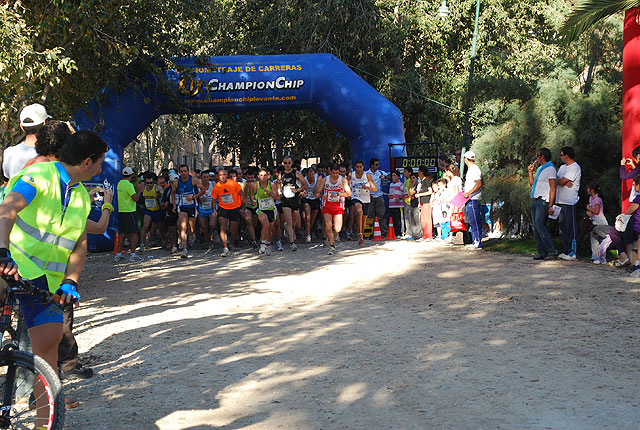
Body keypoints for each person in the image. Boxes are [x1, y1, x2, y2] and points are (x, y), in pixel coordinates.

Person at [0, 130, 107, 424]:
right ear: (87, 162)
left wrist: (71, 280)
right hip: (10, 266)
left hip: (46, 284)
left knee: (46, 358)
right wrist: (2, 252)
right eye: (100, 162)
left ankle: (44, 423)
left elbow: (79, 245)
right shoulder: (41, 175)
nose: (101, 168)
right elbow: (8, 209)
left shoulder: (83, 197)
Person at [3, 103, 51, 180]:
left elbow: (7, 182)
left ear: (21, 127)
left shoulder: (9, 153)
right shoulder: (50, 155)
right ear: (44, 123)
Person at [528, 148, 559, 260]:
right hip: (536, 199)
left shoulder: (550, 169)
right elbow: (533, 184)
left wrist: (551, 205)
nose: (537, 158)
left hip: (543, 201)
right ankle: (542, 251)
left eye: (538, 155)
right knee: (536, 227)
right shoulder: (541, 169)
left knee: (540, 225)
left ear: (543, 156)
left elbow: (553, 188)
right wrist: (530, 172)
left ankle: (551, 251)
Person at [314, 163, 351, 255]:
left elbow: (349, 194)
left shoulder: (343, 180)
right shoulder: (325, 180)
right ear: (330, 172)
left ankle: (335, 236)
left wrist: (339, 194)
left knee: (337, 228)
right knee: (328, 226)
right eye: (333, 173)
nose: (335, 175)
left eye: (337, 173)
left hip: (338, 206)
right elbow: (317, 193)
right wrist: (322, 196)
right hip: (327, 205)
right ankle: (332, 246)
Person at [171, 164, 205, 258]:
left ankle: (191, 235)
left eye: (185, 171)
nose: (183, 173)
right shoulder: (176, 182)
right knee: (183, 226)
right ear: (179, 173)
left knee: (191, 228)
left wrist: (194, 197)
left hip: (192, 206)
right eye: (181, 171)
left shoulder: (193, 180)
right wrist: (174, 205)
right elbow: (172, 193)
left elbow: (203, 190)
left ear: (188, 171)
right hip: (182, 206)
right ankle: (184, 249)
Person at [607, 176, 640, 267]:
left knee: (613, 232)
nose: (634, 187)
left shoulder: (638, 198)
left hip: (636, 228)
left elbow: (628, 212)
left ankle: (623, 256)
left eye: (635, 185)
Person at [211, 167, 244, 257]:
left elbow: (241, 193)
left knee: (233, 230)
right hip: (223, 208)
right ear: (218, 176)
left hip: (235, 208)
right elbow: (214, 199)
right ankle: (225, 247)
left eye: (224, 175)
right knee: (223, 227)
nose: (222, 177)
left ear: (227, 175)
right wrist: (214, 209)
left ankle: (231, 243)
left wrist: (242, 206)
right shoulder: (217, 186)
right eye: (220, 175)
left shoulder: (233, 183)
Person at [555, 146, 581, 260]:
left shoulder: (575, 167)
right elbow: (556, 180)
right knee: (563, 226)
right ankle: (566, 250)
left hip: (569, 201)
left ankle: (573, 252)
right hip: (560, 200)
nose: (560, 157)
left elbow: (560, 181)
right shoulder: (562, 167)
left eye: (561, 155)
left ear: (567, 156)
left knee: (571, 227)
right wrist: (563, 182)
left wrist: (562, 181)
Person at [279, 156, 308, 251]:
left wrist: (297, 190)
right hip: (285, 200)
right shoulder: (281, 174)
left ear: (291, 163)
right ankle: (292, 243)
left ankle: (289, 231)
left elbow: (306, 185)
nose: (287, 165)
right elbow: (278, 184)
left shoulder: (296, 173)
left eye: (289, 163)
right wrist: (280, 192)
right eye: (285, 163)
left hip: (295, 200)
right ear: (283, 164)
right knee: (290, 222)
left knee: (295, 224)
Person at [250, 167, 281, 255]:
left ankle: (267, 244)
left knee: (270, 230)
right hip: (260, 209)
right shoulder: (255, 185)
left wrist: (270, 194)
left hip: (271, 209)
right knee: (265, 224)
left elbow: (278, 198)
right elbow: (252, 197)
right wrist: (253, 200)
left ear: (268, 176)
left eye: (265, 175)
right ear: (258, 176)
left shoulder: (272, 185)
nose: (263, 177)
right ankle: (262, 243)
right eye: (261, 175)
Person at [115, 167, 143, 262]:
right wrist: (139, 190)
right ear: (131, 175)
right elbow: (135, 199)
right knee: (134, 232)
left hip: (121, 211)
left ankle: (118, 254)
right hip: (130, 211)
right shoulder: (129, 185)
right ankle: (133, 254)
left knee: (123, 233)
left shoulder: (119, 183)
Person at [349, 160, 377, 245]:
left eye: (360, 167)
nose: (359, 169)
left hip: (365, 198)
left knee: (364, 217)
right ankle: (360, 234)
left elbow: (375, 189)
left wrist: (367, 187)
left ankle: (360, 234)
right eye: (357, 167)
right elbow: (346, 184)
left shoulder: (367, 176)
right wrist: (348, 191)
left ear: (363, 167)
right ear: (355, 167)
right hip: (356, 197)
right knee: (359, 211)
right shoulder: (351, 175)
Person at [462, 151, 483, 249]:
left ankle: (477, 242)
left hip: (473, 198)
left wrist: (468, 193)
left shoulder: (474, 169)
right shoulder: (472, 169)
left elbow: (478, 183)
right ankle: (475, 240)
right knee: (473, 220)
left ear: (466, 159)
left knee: (475, 221)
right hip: (470, 198)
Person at [139, 172, 164, 252]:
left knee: (158, 228)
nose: (149, 184)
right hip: (148, 210)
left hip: (157, 210)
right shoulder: (143, 188)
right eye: (147, 183)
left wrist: (159, 195)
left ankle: (163, 240)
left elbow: (163, 196)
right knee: (145, 225)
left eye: (151, 183)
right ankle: (142, 244)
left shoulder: (157, 188)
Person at [586, 182, 609, 264]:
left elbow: (597, 211)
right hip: (594, 220)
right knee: (593, 238)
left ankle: (601, 257)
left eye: (588, 188)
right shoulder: (591, 198)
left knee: (601, 238)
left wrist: (588, 208)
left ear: (592, 190)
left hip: (600, 221)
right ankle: (595, 256)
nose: (587, 190)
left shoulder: (597, 199)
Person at [365, 158, 389, 237]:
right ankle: (368, 234)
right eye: (376, 165)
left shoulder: (380, 172)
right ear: (371, 165)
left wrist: (385, 177)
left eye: (378, 164)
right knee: (369, 216)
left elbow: (390, 176)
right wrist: (367, 194)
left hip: (379, 196)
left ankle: (384, 233)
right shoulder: (366, 174)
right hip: (369, 197)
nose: (378, 166)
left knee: (381, 215)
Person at [198, 170, 218, 254]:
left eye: (207, 177)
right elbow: (194, 196)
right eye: (204, 177)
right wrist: (199, 199)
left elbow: (217, 195)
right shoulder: (198, 186)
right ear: (201, 178)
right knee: (204, 228)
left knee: (212, 225)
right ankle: (210, 244)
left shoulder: (213, 184)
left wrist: (214, 200)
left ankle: (213, 233)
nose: (205, 179)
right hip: (202, 208)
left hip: (212, 208)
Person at [161, 172, 179, 253]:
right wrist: (165, 204)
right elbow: (162, 202)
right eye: (174, 181)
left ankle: (183, 242)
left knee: (181, 226)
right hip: (170, 209)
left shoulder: (181, 188)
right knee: (172, 228)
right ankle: (174, 245)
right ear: (170, 182)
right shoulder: (167, 190)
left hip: (180, 208)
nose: (176, 183)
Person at [302, 167, 321, 243]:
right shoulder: (304, 179)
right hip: (307, 199)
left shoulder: (317, 179)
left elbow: (317, 190)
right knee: (308, 217)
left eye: (312, 174)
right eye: (310, 174)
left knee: (312, 220)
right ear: (307, 174)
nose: (311, 176)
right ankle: (308, 236)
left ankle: (308, 231)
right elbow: (302, 188)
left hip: (315, 199)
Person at [415, 166, 433, 240]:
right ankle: (424, 235)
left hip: (427, 202)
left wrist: (419, 195)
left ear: (422, 171)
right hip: (422, 202)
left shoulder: (427, 180)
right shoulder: (422, 181)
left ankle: (429, 236)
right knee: (423, 220)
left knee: (427, 219)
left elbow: (430, 191)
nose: (418, 172)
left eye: (419, 171)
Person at [405, 173, 422, 240]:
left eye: (413, 178)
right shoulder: (413, 186)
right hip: (412, 204)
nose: (412, 180)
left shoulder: (418, 185)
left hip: (416, 204)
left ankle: (419, 234)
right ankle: (414, 234)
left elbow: (412, 193)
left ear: (417, 178)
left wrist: (411, 186)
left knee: (417, 220)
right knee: (412, 220)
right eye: (411, 178)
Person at [388, 170, 405, 238]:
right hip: (391, 205)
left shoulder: (401, 185)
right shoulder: (391, 184)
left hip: (399, 205)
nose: (393, 177)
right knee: (393, 220)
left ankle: (400, 233)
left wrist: (400, 198)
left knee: (399, 220)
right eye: (392, 176)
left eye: (394, 176)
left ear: (398, 177)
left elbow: (406, 193)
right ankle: (394, 233)